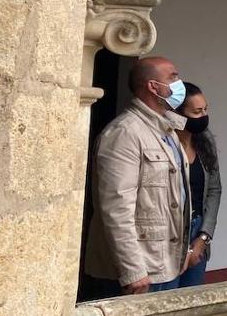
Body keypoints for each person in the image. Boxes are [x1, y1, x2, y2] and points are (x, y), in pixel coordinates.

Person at [83, 56, 192, 296]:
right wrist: (132, 269)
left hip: (165, 264)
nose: (179, 84)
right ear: (153, 86)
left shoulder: (168, 130)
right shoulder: (125, 133)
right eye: (173, 77)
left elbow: (177, 199)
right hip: (139, 272)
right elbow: (116, 207)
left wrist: (182, 252)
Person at [174, 83, 222, 287]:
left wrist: (203, 237)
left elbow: (214, 189)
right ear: (177, 114)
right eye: (196, 112)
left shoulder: (205, 139)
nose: (203, 116)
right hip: (172, 231)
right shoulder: (164, 142)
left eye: (205, 109)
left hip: (198, 230)